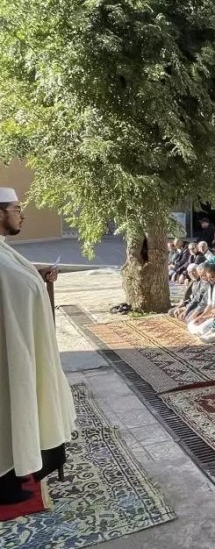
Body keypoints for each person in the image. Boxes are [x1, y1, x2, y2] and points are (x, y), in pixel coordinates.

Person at [0, 188, 76, 504]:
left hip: (21, 348)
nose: (22, 215)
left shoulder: (6, 251)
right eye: (17, 209)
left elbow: (21, 286)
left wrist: (40, 278)